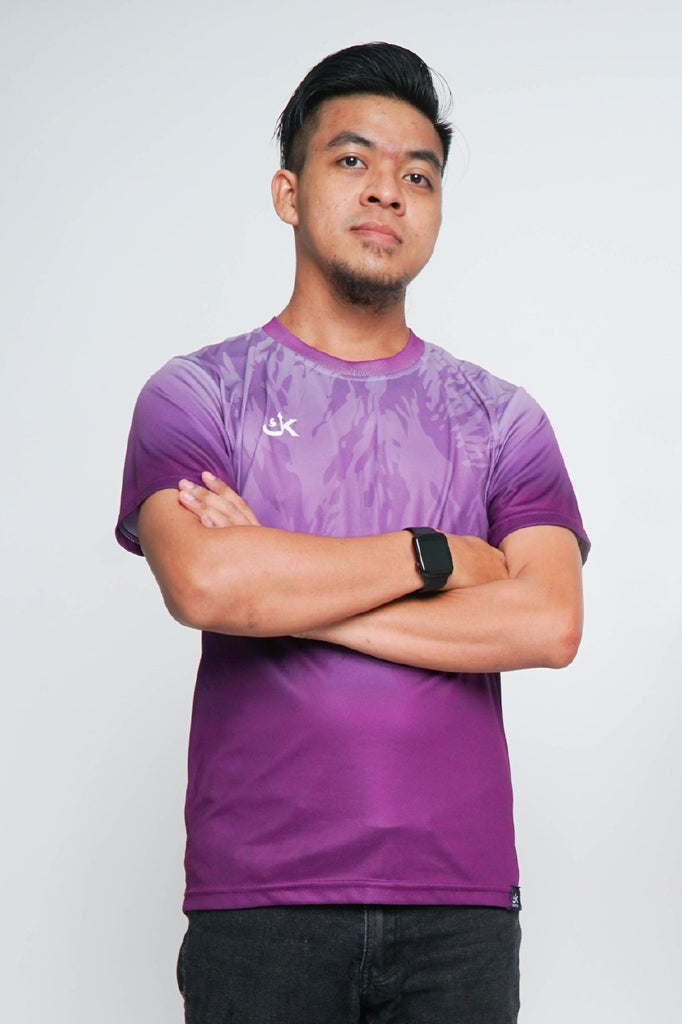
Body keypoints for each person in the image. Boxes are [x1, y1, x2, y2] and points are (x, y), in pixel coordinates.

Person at [116, 41, 589, 1024]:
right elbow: (206, 585)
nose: (387, 191)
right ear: (288, 194)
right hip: (262, 906)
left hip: (458, 906)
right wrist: (437, 558)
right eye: (352, 160)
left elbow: (547, 622)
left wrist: (285, 597)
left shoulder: (502, 420)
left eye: (418, 175)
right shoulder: (199, 395)